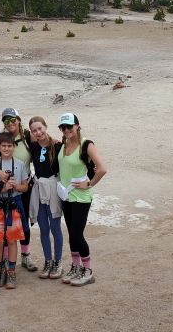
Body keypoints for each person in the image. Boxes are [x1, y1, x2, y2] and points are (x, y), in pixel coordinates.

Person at [0, 107, 37, 272]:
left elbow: (44, 142)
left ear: (19, 120)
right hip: (4, 185)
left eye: (13, 119)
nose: (10, 123)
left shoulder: (27, 136)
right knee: (6, 225)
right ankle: (6, 260)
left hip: (23, 185)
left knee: (24, 223)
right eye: (6, 121)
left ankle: (26, 256)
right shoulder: (1, 138)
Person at [56, 112, 106, 286]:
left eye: (69, 126)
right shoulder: (63, 144)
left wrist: (90, 184)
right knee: (71, 234)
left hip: (81, 197)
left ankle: (87, 270)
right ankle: (76, 267)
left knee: (77, 234)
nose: (66, 130)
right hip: (66, 195)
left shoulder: (86, 145)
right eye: (63, 127)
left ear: (77, 126)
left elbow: (102, 169)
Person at [0, 132, 29, 289]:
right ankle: (1, 269)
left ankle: (11, 271)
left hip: (13, 206)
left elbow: (25, 187)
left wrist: (16, 186)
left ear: (14, 147)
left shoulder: (19, 164)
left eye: (9, 146)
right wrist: (4, 188)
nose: (6, 148)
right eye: (3, 146)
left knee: (12, 240)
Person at [28, 115, 64, 279]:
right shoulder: (33, 146)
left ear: (46, 127)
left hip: (53, 188)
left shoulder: (57, 146)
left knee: (55, 227)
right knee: (43, 227)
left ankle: (58, 262)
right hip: (39, 187)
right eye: (34, 130)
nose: (38, 132)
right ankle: (47, 261)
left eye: (40, 128)